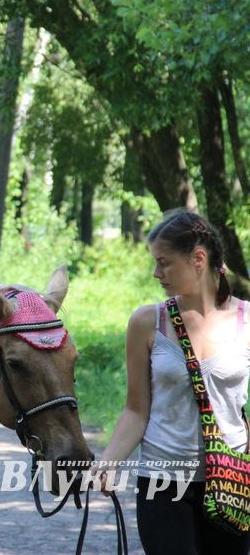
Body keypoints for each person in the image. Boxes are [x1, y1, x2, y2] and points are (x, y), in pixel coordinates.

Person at [93, 211, 250, 554]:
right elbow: (136, 410)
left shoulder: (247, 321)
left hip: (232, 481)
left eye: (164, 263)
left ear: (198, 259)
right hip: (162, 483)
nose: (156, 273)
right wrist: (108, 462)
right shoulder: (148, 322)